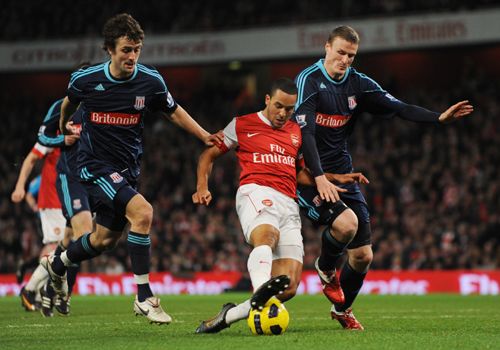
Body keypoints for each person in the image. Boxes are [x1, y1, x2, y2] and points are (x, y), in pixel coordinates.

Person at [41, 13, 221, 325]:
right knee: (143, 212)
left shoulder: (150, 81)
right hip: (94, 166)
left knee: (102, 241)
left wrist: (203, 134)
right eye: (126, 49)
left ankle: (58, 264)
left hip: (127, 169)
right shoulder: (86, 80)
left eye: (136, 49)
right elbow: (68, 103)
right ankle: (144, 297)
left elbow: (173, 111)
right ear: (109, 49)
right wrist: (63, 125)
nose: (132, 56)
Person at [293, 25, 473, 330]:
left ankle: (342, 310)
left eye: (351, 55)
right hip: (309, 175)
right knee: (346, 224)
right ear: (327, 48)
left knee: (363, 255)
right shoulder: (308, 80)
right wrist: (320, 176)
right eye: (340, 52)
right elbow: (306, 132)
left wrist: (437, 117)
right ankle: (325, 265)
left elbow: (398, 107)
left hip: (343, 174)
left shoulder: (358, 84)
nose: (345, 60)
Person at [192, 78, 367, 333]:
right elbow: (208, 154)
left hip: (289, 202)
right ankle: (260, 289)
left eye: (289, 109)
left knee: (289, 287)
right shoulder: (242, 124)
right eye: (278, 106)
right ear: (266, 100)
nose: (283, 114)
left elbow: (298, 174)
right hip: (257, 191)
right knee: (267, 236)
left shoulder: (296, 132)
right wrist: (202, 186)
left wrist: (332, 177)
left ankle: (229, 315)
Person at [11, 98, 79, 315]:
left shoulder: (85, 133)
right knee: (55, 248)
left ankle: (39, 290)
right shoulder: (55, 136)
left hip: (70, 200)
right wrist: (20, 186)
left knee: (66, 249)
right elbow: (31, 158)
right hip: (52, 201)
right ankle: (32, 290)